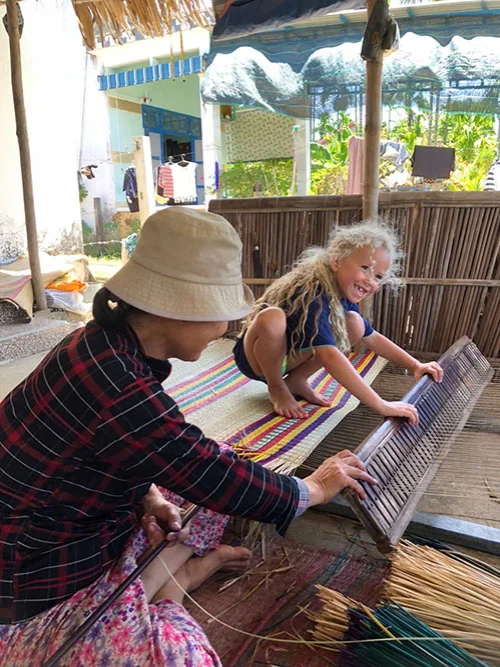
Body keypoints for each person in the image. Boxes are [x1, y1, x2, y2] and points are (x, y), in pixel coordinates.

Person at [0, 208, 376, 666]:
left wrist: (148, 498)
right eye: (221, 317)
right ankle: (174, 586)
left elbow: (122, 450)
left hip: (67, 521)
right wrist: (313, 489)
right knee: (180, 657)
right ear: (180, 311)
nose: (226, 329)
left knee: (204, 480)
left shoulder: (101, 345)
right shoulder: (119, 384)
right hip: (29, 573)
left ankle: (171, 579)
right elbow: (202, 469)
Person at [234, 219, 443, 420]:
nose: (370, 280)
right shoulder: (310, 292)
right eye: (365, 268)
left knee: (355, 323)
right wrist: (381, 404)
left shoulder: (340, 293)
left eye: (378, 276)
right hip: (256, 359)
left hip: (290, 357)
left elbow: (372, 338)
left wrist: (415, 365)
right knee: (272, 317)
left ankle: (297, 380)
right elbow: (329, 356)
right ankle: (277, 387)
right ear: (336, 261)